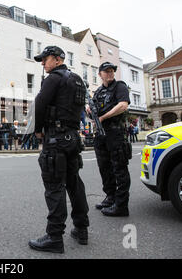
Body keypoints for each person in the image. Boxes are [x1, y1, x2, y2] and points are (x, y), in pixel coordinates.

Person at [28, 46, 89, 253]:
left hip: (55, 139)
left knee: (54, 187)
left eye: (45, 59)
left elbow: (40, 103)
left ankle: (54, 237)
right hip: (72, 138)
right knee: (74, 183)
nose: (43, 64)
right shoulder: (77, 79)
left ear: (57, 59)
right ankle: (82, 228)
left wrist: (37, 130)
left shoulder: (53, 78)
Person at [89, 61, 131, 217]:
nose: (110, 73)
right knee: (104, 168)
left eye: (112, 70)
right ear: (100, 74)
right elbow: (94, 113)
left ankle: (121, 205)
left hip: (115, 134)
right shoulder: (99, 91)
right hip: (101, 135)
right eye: (106, 71)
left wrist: (103, 117)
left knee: (119, 169)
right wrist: (89, 111)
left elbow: (123, 105)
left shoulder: (120, 86)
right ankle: (110, 197)